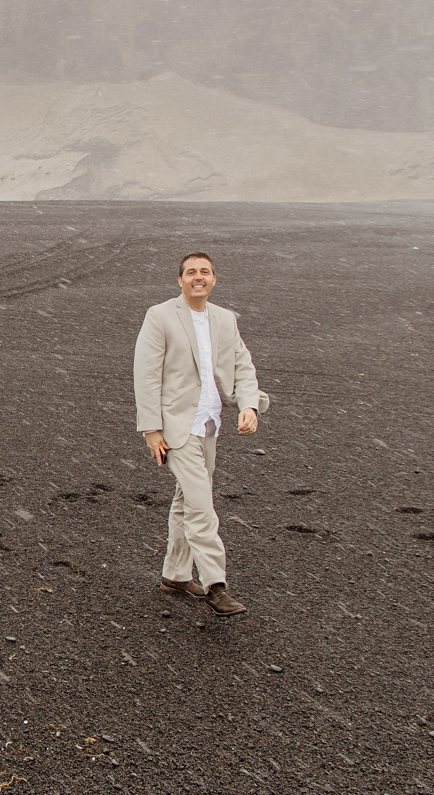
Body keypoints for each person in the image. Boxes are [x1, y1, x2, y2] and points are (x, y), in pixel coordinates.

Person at [132, 253, 269, 617]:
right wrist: (151, 430)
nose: (198, 277)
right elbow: (145, 374)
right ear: (180, 280)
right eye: (191, 272)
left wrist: (249, 405)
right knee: (201, 508)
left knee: (186, 500)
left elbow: (242, 365)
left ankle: (175, 575)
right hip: (176, 427)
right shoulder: (160, 316)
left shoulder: (224, 319)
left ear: (213, 280)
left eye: (204, 272)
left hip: (209, 424)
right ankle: (215, 585)